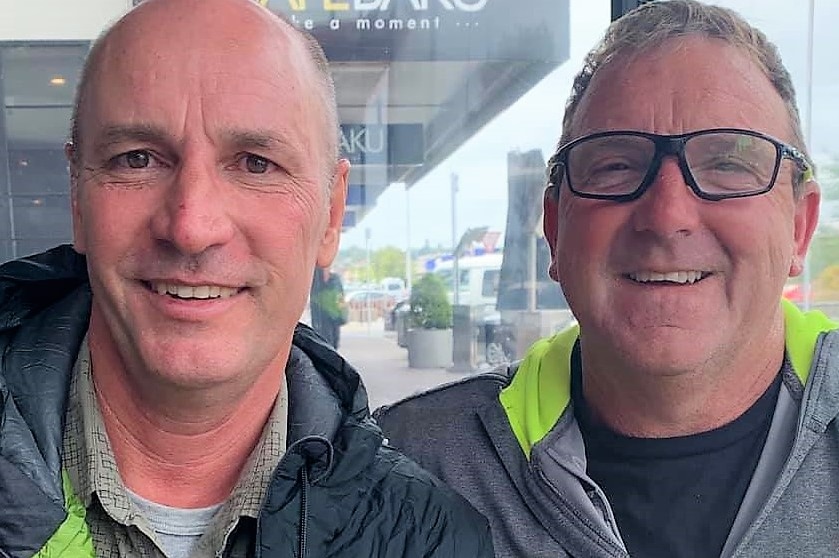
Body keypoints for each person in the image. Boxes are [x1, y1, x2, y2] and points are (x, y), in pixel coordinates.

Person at [0, 0, 495, 556]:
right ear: (76, 197)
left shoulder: (426, 540)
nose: (191, 226)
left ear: (331, 215)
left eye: (256, 163)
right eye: (136, 159)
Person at [376, 1, 839, 557]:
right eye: (615, 165)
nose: (667, 216)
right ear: (554, 228)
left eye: (727, 164)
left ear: (799, 225)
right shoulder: (408, 464)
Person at [309, 266, 346, 348]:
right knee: (324, 341)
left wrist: (342, 312)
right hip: (322, 316)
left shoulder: (335, 279)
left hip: (334, 316)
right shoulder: (316, 281)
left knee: (334, 341)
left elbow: (340, 296)